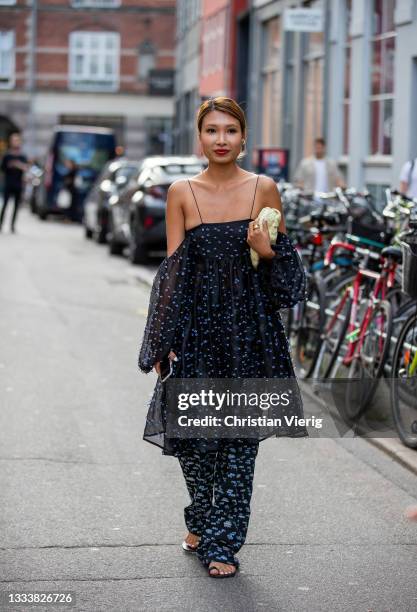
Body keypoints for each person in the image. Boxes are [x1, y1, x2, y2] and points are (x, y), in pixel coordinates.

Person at [138, 97, 308, 579]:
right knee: (191, 440)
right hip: (195, 333)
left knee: (238, 443)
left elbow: (289, 283)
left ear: (243, 137)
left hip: (249, 335)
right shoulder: (181, 193)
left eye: (230, 130)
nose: (220, 139)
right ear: (200, 137)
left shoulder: (264, 188)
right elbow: (171, 274)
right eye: (211, 130)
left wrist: (268, 251)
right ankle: (201, 517)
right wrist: (163, 339)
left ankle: (223, 545)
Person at [0, 132, 28, 233]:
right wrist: (10, 165)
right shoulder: (7, 155)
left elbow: (26, 168)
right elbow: (2, 168)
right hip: (8, 183)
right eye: (13, 140)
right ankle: (1, 224)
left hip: (18, 184)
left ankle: (12, 226)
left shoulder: (22, 156)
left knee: (16, 206)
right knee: (5, 205)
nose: (15, 142)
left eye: (17, 140)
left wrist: (19, 165)